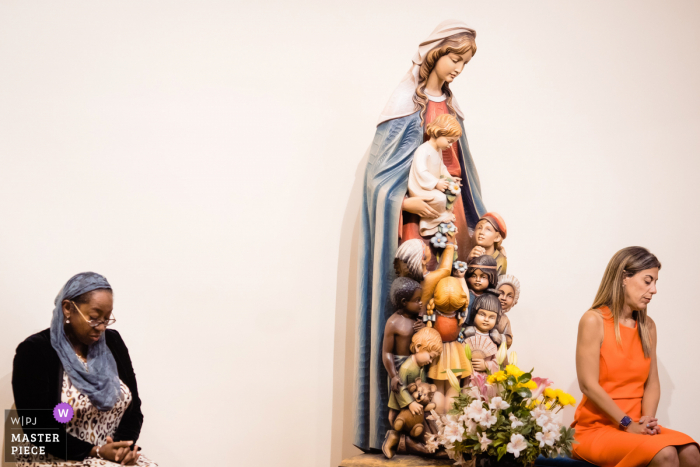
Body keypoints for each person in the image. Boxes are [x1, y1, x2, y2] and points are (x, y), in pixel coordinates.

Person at [356, 20, 486, 451]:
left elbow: (464, 176)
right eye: (454, 58)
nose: (458, 68)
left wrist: (477, 227)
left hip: (454, 222)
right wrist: (408, 204)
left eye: (465, 61)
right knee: (418, 307)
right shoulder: (402, 106)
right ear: (433, 55)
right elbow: (378, 183)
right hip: (416, 226)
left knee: (451, 306)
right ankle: (409, 418)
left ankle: (451, 420)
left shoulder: (452, 111)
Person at [11, 272, 158, 466]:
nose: (101, 327)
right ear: (68, 308)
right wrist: (94, 451)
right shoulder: (35, 351)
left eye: (106, 319)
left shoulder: (113, 344)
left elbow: (134, 410)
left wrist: (122, 448)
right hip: (57, 457)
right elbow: (39, 429)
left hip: (108, 457)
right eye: (95, 318)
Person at [572, 247, 699, 466]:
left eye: (655, 282)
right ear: (623, 277)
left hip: (634, 425)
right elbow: (588, 385)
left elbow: (652, 383)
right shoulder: (594, 320)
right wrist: (627, 422)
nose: (654, 290)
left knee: (691, 451)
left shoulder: (647, 326)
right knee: (666, 454)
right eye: (647, 281)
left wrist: (646, 422)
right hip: (596, 429)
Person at [407, 113, 462, 236]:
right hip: (421, 188)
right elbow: (421, 172)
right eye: (449, 141)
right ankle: (432, 222)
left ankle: (445, 213)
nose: (449, 145)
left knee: (456, 190)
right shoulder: (423, 150)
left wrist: (450, 178)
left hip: (434, 184)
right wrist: (436, 183)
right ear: (439, 133)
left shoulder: (438, 150)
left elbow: (441, 167)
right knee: (440, 198)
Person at [496, 274, 520, 348]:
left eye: (509, 296)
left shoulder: (505, 319)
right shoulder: (483, 311)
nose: (504, 298)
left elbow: (509, 341)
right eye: (501, 293)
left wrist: (499, 337)